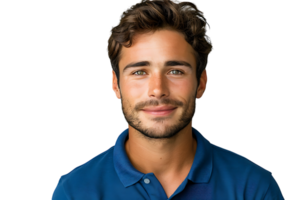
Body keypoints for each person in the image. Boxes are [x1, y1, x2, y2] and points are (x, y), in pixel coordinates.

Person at [50, 0, 285, 199]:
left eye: (175, 71)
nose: (157, 90)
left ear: (202, 82)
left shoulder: (253, 189)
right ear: (114, 84)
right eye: (140, 72)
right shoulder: (73, 192)